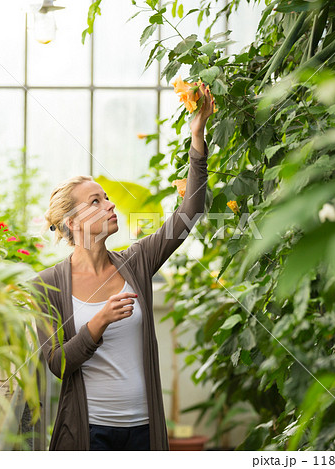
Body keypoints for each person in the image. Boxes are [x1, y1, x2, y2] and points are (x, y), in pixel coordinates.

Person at [31, 84, 214, 451]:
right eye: (96, 201)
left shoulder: (137, 261)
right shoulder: (47, 284)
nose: (110, 205)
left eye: (107, 198)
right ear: (72, 222)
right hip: (90, 434)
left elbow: (189, 211)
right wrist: (98, 322)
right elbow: (57, 364)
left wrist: (198, 134)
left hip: (144, 434)